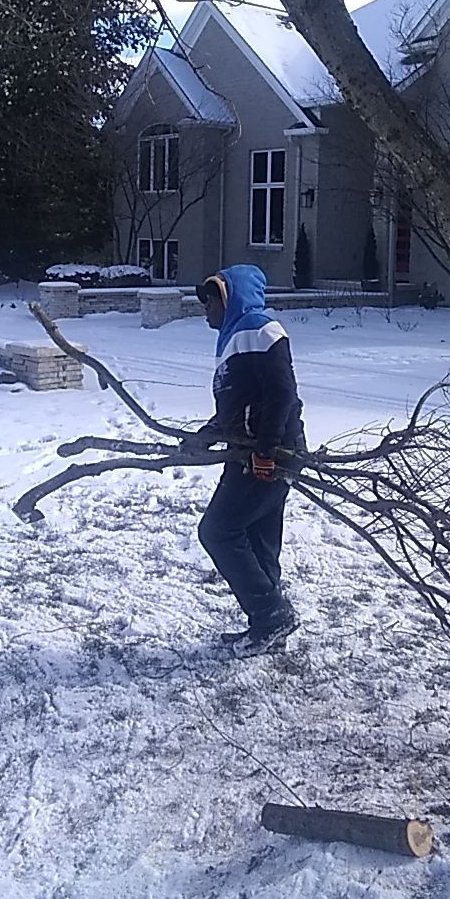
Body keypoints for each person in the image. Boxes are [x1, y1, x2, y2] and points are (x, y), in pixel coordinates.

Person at [183, 264, 305, 657]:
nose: (206, 309)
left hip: (270, 452)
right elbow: (239, 407)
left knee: (218, 531)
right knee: (258, 537)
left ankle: (271, 615)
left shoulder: (259, 328)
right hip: (253, 451)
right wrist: (205, 436)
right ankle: (268, 625)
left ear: (230, 296)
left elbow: (282, 395)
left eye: (211, 300)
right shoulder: (235, 337)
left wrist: (266, 451)